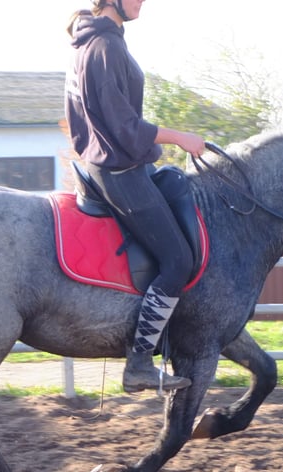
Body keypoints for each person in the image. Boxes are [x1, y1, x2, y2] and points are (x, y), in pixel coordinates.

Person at [65, 0, 206, 393]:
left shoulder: (96, 41)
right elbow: (125, 128)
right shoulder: (105, 47)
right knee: (178, 260)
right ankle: (140, 363)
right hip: (117, 170)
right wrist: (181, 137)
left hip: (118, 164)